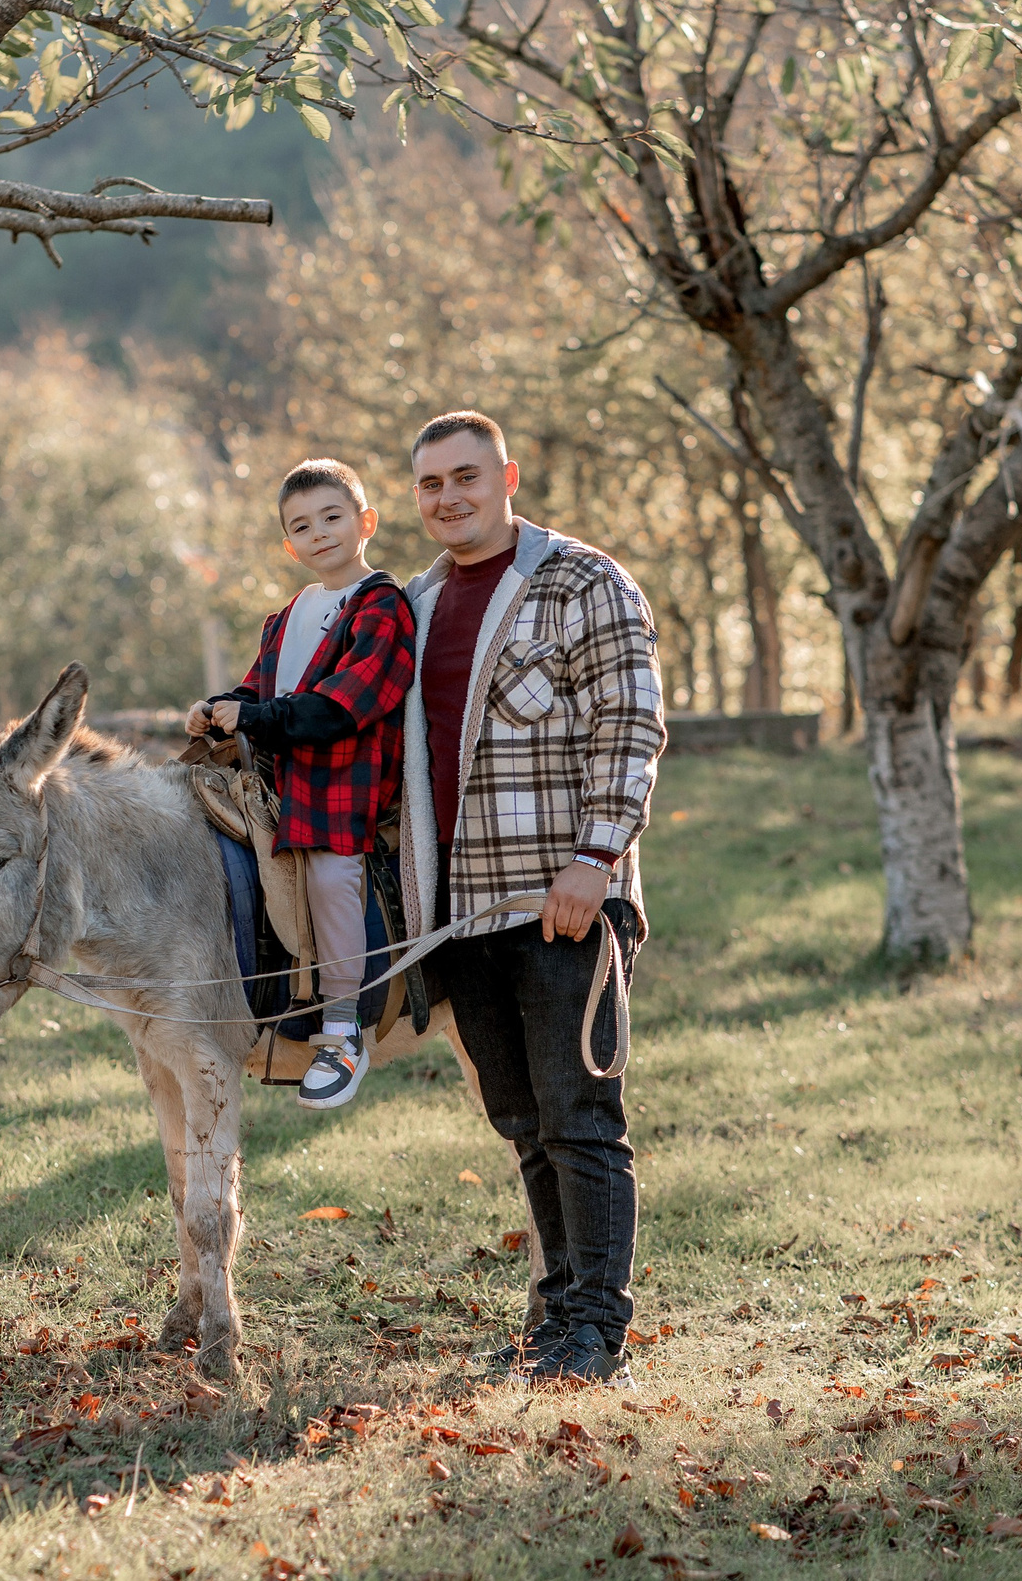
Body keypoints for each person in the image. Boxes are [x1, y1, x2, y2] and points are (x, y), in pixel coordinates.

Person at [397, 411, 665, 1387]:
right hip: (461, 918)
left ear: (507, 474)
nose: (448, 498)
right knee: (519, 1121)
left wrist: (597, 859)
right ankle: (555, 1316)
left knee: (578, 1118)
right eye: (430, 484)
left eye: (465, 476)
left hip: (563, 905)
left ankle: (594, 1332)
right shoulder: (417, 603)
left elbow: (630, 726)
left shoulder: (583, 582)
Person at [188, 459, 417, 1109]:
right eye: (302, 526)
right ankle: (263, 1002)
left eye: (333, 516)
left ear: (365, 521)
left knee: (330, 876)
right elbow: (258, 688)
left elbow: (345, 704)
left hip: (345, 783)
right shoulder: (287, 617)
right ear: (290, 545)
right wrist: (218, 706)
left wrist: (256, 716)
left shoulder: (380, 604)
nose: (319, 533)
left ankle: (343, 1028)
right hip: (284, 785)